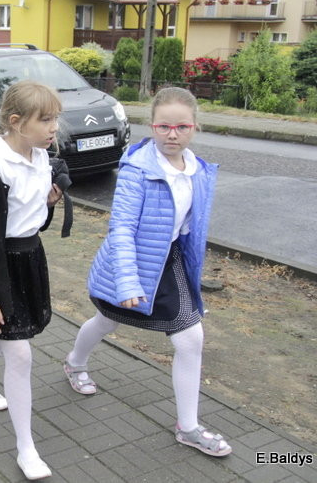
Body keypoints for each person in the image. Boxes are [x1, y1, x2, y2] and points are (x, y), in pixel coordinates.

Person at [63, 87, 229, 457]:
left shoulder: (198, 170)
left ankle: (188, 428)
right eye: (163, 126)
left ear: (195, 127)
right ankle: (74, 363)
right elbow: (121, 228)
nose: (172, 134)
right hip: (130, 263)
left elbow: (190, 228)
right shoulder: (137, 169)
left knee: (190, 339)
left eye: (182, 127)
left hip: (168, 263)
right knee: (106, 321)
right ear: (151, 126)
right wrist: (127, 281)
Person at [0, 81, 64, 480]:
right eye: (46, 119)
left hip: (30, 259)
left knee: (3, 332)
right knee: (19, 354)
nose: (54, 127)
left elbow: (32, 218)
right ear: (17, 121)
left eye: (56, 118)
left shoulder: (41, 157)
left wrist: (49, 203)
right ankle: (26, 447)